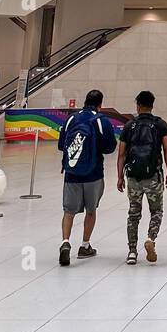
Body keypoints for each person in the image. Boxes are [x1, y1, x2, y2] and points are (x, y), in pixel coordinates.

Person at [57, 89, 117, 265]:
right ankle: (85, 246)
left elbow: (62, 145)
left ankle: (65, 242)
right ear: (100, 104)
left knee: (69, 211)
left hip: (71, 173)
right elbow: (109, 147)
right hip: (94, 174)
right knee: (91, 210)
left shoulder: (71, 119)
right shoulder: (100, 120)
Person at [117, 90, 167, 265]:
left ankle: (132, 252)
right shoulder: (160, 124)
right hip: (153, 176)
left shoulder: (129, 125)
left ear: (138, 105)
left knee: (133, 214)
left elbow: (121, 154)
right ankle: (150, 238)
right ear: (152, 105)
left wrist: (120, 177)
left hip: (133, 177)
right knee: (156, 211)